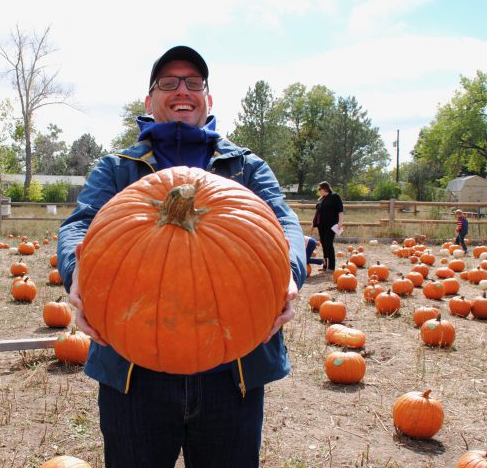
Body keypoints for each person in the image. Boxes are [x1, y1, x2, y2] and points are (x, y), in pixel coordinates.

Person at [57, 46, 306, 468]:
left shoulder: (245, 167)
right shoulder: (118, 168)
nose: (182, 91)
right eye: (168, 83)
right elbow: (79, 226)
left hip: (234, 369)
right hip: (133, 368)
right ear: (149, 100)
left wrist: (289, 274)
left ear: (209, 98)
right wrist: (77, 271)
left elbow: (285, 225)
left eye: (193, 82)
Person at [311, 181, 344, 271]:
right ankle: (326, 266)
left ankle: (331, 267)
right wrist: (313, 224)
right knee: (324, 245)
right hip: (321, 226)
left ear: (325, 188)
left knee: (329, 244)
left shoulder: (335, 196)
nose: (319, 191)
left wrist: (340, 222)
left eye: (320, 189)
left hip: (331, 225)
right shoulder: (322, 199)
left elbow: (340, 210)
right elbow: (317, 213)